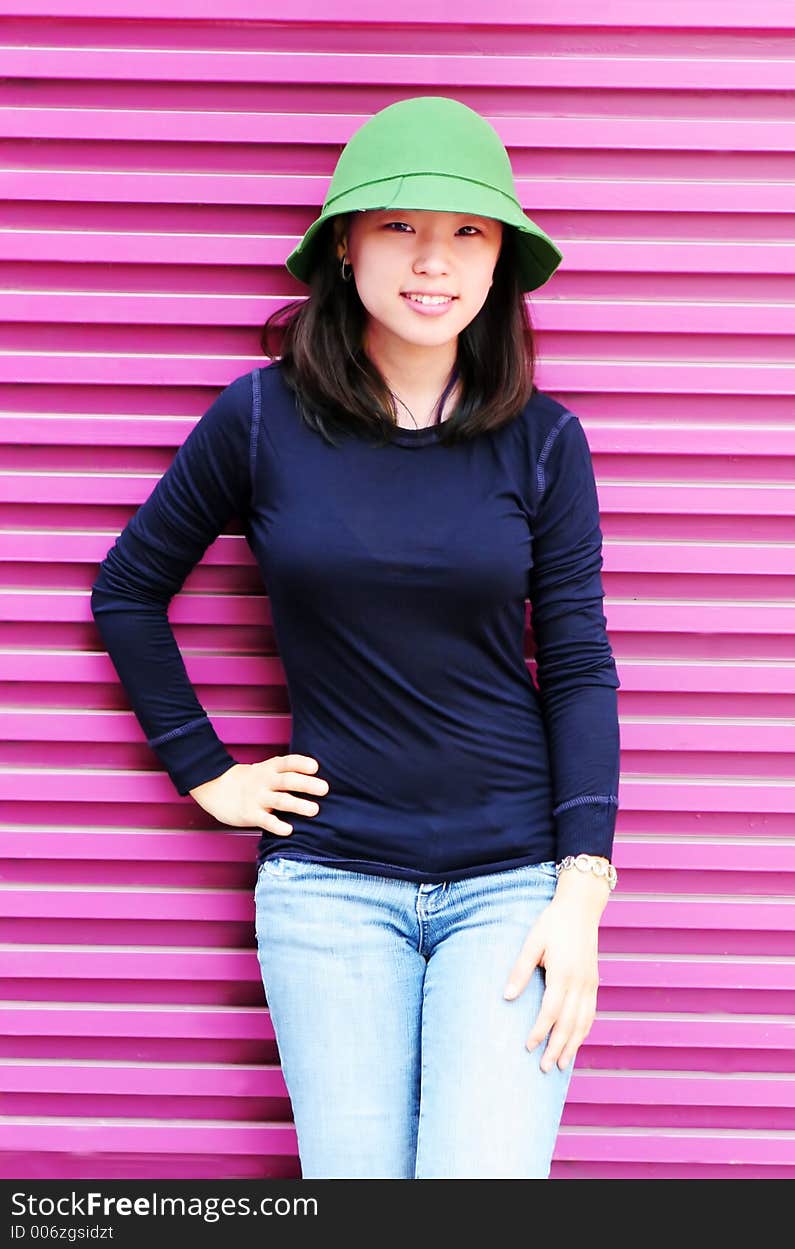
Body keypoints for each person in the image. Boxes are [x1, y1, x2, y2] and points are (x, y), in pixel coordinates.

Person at [90, 95, 621, 1179]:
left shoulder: (545, 444)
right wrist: (208, 773)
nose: (435, 262)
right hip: (330, 891)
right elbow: (128, 591)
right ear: (344, 242)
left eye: (466, 232)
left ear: (500, 260)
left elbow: (575, 668)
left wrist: (581, 893)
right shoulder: (259, 419)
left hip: (509, 890)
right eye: (400, 227)